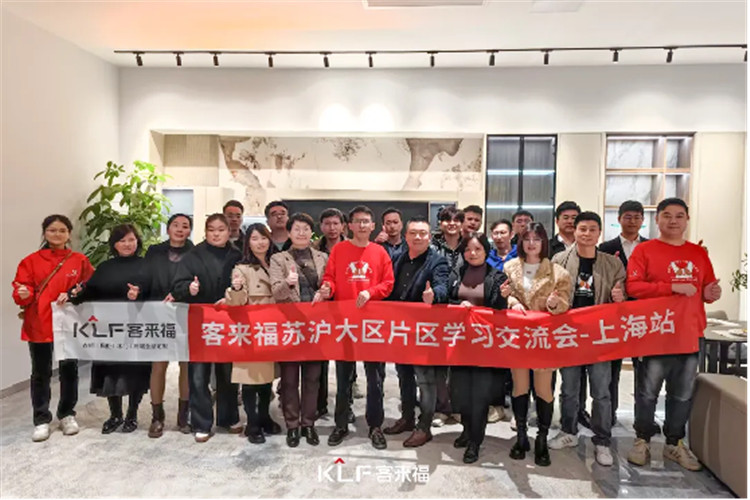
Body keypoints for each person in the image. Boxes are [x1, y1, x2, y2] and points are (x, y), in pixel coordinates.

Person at [626, 198, 720, 471]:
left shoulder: (698, 253)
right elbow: (634, 287)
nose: (673, 221)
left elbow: (707, 289)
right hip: (656, 332)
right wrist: (672, 287)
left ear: (687, 219)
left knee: (682, 394)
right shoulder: (644, 250)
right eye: (667, 215)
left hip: (690, 333)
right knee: (647, 392)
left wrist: (711, 293)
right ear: (657, 220)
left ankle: (674, 443)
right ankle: (642, 439)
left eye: (679, 216)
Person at [313, 205, 395, 449]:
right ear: (349, 226)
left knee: (375, 379)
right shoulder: (339, 250)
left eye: (366, 221)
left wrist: (371, 292)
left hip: (372, 324)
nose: (361, 225)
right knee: (343, 377)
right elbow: (330, 277)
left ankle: (375, 425)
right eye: (357, 221)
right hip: (345, 323)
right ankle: (341, 424)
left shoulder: (380, 252)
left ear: (373, 226)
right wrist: (328, 288)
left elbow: (388, 283)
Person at [549, 212, 626, 466]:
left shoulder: (612, 264)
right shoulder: (559, 260)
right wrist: (552, 302)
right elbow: (550, 295)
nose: (587, 234)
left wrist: (620, 297)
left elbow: (623, 296)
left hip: (600, 337)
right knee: (569, 389)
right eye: (583, 229)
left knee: (601, 391)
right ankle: (568, 431)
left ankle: (602, 440)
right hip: (570, 335)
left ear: (599, 233)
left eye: (593, 229)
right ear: (575, 231)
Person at [12, 214, 94, 442]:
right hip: (39, 323)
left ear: (69, 234)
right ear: (45, 233)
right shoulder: (30, 261)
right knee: (41, 372)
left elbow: (90, 285)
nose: (57, 234)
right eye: (52, 230)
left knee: (69, 370)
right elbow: (21, 291)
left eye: (62, 230)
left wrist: (75, 293)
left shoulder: (79, 260)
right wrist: (23, 293)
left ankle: (67, 413)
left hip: (68, 324)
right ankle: (41, 419)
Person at [70, 224, 152, 435]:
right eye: (122, 240)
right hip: (108, 329)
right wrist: (77, 293)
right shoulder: (105, 267)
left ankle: (132, 415)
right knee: (110, 371)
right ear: (114, 244)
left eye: (131, 240)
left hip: (135, 328)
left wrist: (139, 294)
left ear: (137, 242)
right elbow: (91, 292)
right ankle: (115, 415)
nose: (127, 244)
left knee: (135, 372)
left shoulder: (147, 265)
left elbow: (155, 292)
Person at [502, 222, 572, 466]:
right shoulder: (510, 267)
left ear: (544, 242)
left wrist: (554, 304)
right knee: (520, 387)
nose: (531, 244)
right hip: (518, 339)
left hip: (544, 340)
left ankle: (541, 438)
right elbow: (504, 294)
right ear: (521, 242)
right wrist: (512, 302)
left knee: (544, 390)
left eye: (537, 239)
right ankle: (521, 436)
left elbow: (565, 304)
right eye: (527, 239)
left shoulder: (558, 272)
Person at [172, 214, 243, 442]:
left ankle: (228, 417)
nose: (216, 234)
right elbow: (178, 286)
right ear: (205, 231)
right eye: (211, 229)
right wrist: (189, 289)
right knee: (199, 375)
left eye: (221, 229)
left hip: (229, 321)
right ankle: (201, 422)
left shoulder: (237, 255)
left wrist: (232, 295)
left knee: (227, 373)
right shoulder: (193, 256)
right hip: (200, 322)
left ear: (229, 231)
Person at [382, 215, 450, 448]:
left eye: (423, 233)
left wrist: (435, 295)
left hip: (424, 331)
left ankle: (424, 426)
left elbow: (442, 285)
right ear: (406, 236)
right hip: (401, 330)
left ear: (429, 237)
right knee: (404, 376)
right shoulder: (397, 259)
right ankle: (407, 417)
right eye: (413, 233)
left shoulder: (437, 261)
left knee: (425, 379)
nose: (418, 237)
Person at [269, 213, 328, 447]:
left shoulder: (323, 257)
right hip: (290, 325)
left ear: (311, 233)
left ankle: (308, 424)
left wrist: (326, 291)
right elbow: (276, 292)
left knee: (313, 378)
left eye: (306, 229)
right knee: (290, 378)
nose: (301, 233)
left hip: (315, 326)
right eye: (297, 229)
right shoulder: (278, 259)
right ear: (289, 232)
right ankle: (292, 425)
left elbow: (329, 285)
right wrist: (288, 282)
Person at [448, 232, 508, 464]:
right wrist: (458, 304)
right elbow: (447, 299)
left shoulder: (497, 276)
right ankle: (466, 430)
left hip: (485, 346)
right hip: (460, 343)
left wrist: (503, 297)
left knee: (480, 395)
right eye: (467, 250)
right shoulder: (457, 273)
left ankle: (475, 440)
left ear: (486, 251)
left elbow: (499, 310)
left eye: (477, 249)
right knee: (461, 391)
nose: (472, 253)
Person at [225, 223, 283, 444]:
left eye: (264, 238)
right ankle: (252, 423)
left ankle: (265, 417)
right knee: (249, 381)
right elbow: (236, 303)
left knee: (266, 380)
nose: (260, 243)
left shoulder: (277, 264)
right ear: (248, 243)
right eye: (255, 238)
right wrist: (236, 289)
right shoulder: (242, 268)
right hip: (251, 331)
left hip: (273, 330)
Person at [141, 214, 194, 438]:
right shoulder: (154, 251)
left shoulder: (195, 252)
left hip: (186, 312)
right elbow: (145, 278)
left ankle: (183, 416)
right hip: (158, 312)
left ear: (190, 230)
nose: (180, 229)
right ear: (168, 228)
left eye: (185, 226)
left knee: (186, 365)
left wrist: (180, 293)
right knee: (159, 365)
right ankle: (157, 416)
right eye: (176, 225)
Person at [598, 199, 649, 427]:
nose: (632, 221)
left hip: (643, 315)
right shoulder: (606, 248)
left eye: (637, 217)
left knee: (644, 370)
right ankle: (609, 415)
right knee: (612, 369)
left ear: (643, 220)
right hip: (615, 315)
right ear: (619, 219)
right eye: (628, 217)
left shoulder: (650, 247)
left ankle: (643, 418)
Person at [548, 201, 589, 429]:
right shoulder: (548, 247)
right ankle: (547, 408)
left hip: (580, 320)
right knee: (549, 369)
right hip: (552, 317)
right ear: (557, 221)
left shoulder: (589, 246)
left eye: (575, 217)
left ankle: (577, 411)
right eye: (566, 217)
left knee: (577, 372)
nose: (570, 221)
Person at [430, 206, 465, 425]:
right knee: (439, 362)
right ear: (440, 224)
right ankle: (441, 408)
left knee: (460, 363)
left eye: (456, 220)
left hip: (464, 309)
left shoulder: (469, 245)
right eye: (446, 220)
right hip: (438, 309)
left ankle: (458, 406)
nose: (451, 224)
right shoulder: (432, 247)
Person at [312, 207, 347, 420]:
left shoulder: (351, 247)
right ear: (321, 226)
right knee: (321, 359)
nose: (332, 228)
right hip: (322, 311)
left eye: (336, 223)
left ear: (343, 226)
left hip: (346, 310)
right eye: (327, 224)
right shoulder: (313, 249)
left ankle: (345, 405)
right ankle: (320, 403)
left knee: (346, 360)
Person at [485, 218, 518, 424]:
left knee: (516, 366)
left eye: (503, 233)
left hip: (516, 317)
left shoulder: (520, 255)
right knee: (496, 364)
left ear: (511, 234)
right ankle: (496, 405)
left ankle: (517, 408)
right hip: (493, 319)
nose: (499, 237)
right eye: (495, 233)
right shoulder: (486, 257)